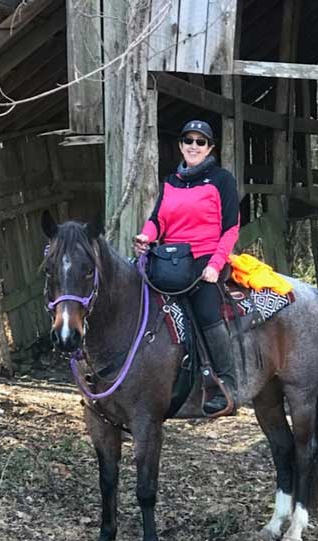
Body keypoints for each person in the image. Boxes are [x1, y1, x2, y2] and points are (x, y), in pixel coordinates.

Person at [134, 120, 240, 416]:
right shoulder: (170, 181)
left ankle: (225, 384)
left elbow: (231, 228)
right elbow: (157, 221)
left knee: (206, 311)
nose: (194, 146)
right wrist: (146, 236)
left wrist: (216, 265)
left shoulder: (222, 180)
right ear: (180, 145)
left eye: (201, 141)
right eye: (188, 140)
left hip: (206, 258)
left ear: (210, 148)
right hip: (171, 259)